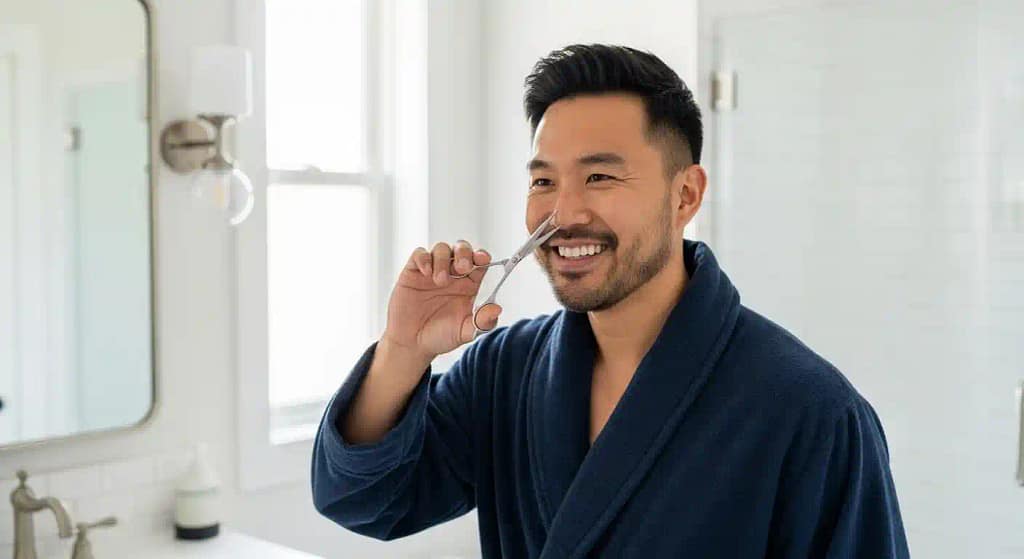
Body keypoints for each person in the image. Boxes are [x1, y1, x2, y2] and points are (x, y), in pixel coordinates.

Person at [311, 44, 910, 558]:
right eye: (543, 181)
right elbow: (363, 500)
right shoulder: (503, 371)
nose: (563, 214)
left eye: (599, 177)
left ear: (685, 195)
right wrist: (402, 351)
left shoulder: (813, 412)